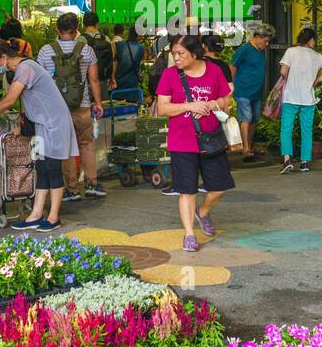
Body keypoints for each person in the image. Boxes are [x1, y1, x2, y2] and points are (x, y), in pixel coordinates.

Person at [0, 37, 79, 232]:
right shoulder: (21, 69)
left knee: (53, 167)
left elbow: (9, 101)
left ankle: (53, 216)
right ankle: (36, 214)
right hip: (41, 125)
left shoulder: (25, 68)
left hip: (54, 123)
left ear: (3, 57)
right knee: (41, 167)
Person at [156, 34, 235, 252]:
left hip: (211, 139)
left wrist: (210, 104)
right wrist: (189, 106)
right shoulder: (170, 75)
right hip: (182, 141)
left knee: (219, 187)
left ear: (195, 53)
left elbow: (225, 101)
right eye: (174, 54)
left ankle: (204, 212)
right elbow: (163, 108)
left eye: (181, 53)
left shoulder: (214, 71)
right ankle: (189, 234)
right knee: (187, 190)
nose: (177, 58)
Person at [37, 13, 106, 201]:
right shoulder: (87, 50)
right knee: (87, 144)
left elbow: (40, 82)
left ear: (57, 30)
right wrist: (98, 102)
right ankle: (92, 184)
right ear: (77, 30)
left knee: (66, 148)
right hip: (82, 105)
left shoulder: (45, 51)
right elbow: (94, 79)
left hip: (57, 109)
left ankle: (72, 189)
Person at [278, 27, 322, 174]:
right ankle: (304, 162)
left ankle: (287, 160)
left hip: (290, 97)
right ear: (311, 40)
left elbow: (283, 72)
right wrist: (317, 79)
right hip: (308, 99)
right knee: (306, 130)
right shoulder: (316, 56)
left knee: (286, 129)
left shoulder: (291, 51)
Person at [231, 24, 272, 162]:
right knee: (246, 118)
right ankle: (245, 149)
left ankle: (250, 145)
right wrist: (230, 86)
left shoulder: (259, 51)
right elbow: (233, 66)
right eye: (265, 41)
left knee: (254, 119)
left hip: (256, 91)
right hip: (243, 90)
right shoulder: (244, 49)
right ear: (257, 37)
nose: (266, 44)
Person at [82, 12, 116, 90]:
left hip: (87, 82)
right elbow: (113, 59)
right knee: (103, 101)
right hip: (104, 80)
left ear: (84, 24)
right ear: (97, 24)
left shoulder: (80, 40)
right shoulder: (105, 38)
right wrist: (112, 77)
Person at [112, 23, 145, 95]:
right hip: (133, 84)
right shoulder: (141, 47)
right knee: (132, 104)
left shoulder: (120, 45)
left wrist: (112, 77)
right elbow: (143, 59)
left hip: (119, 83)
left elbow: (114, 61)